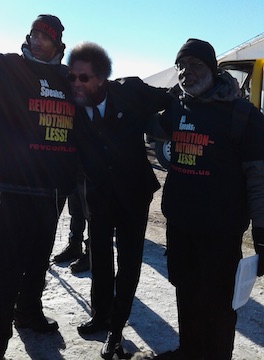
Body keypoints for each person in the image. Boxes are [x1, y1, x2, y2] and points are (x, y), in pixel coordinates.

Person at [148, 39, 264, 360]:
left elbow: (258, 180)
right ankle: (189, 351)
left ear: (212, 69)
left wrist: (262, 234)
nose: (187, 73)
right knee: (186, 293)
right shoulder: (178, 107)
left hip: (220, 234)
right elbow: (150, 125)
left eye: (195, 65)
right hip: (181, 227)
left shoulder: (243, 116)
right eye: (181, 66)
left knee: (217, 306)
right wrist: (134, 94)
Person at [68, 42, 172, 359]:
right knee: (99, 256)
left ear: (101, 78)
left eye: (83, 78)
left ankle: (116, 327)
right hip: (97, 195)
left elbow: (174, 100)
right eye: (72, 77)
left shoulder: (131, 91)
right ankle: (101, 314)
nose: (75, 83)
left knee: (128, 261)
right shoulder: (71, 103)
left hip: (133, 194)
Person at [0, 15, 78, 359]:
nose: (37, 40)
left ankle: (28, 312)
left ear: (58, 44)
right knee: (5, 267)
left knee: (37, 259)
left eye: (45, 37)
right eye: (33, 33)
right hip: (11, 188)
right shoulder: (9, 67)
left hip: (50, 190)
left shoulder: (67, 78)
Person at [53, 187, 91, 273]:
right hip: (74, 177)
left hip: (89, 179)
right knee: (75, 211)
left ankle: (91, 252)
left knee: (90, 213)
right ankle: (75, 246)